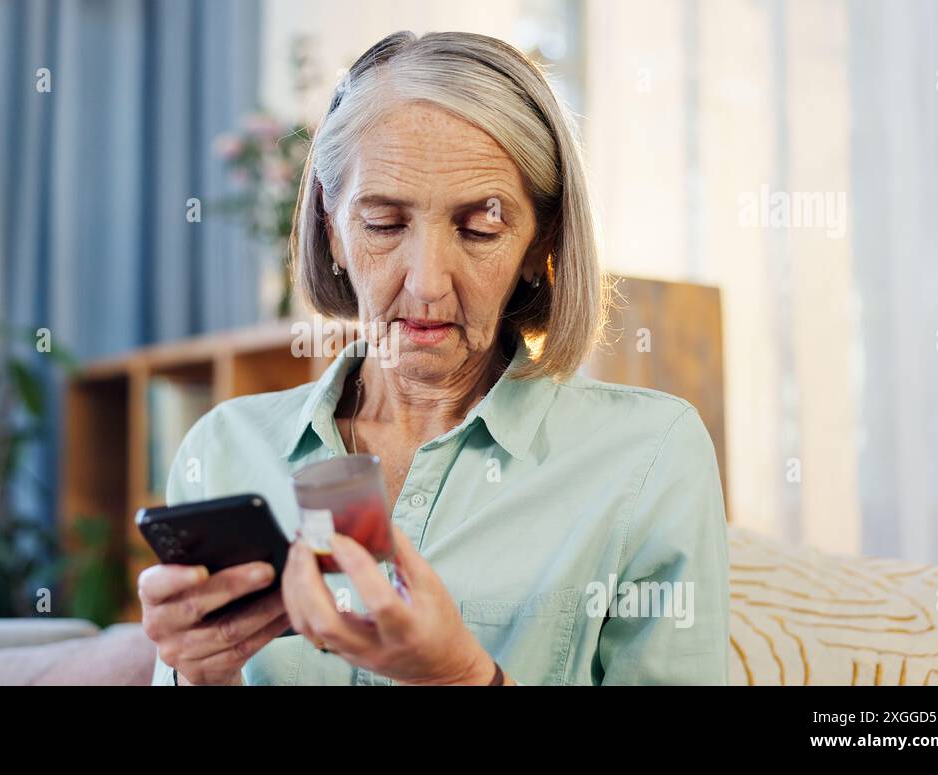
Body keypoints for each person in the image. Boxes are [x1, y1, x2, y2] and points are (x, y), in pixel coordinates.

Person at [141, 30, 729, 686]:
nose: (426, 283)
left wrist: (461, 676)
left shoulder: (649, 455)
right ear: (331, 229)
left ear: (542, 244)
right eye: (385, 225)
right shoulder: (224, 450)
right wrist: (197, 675)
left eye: (481, 228)